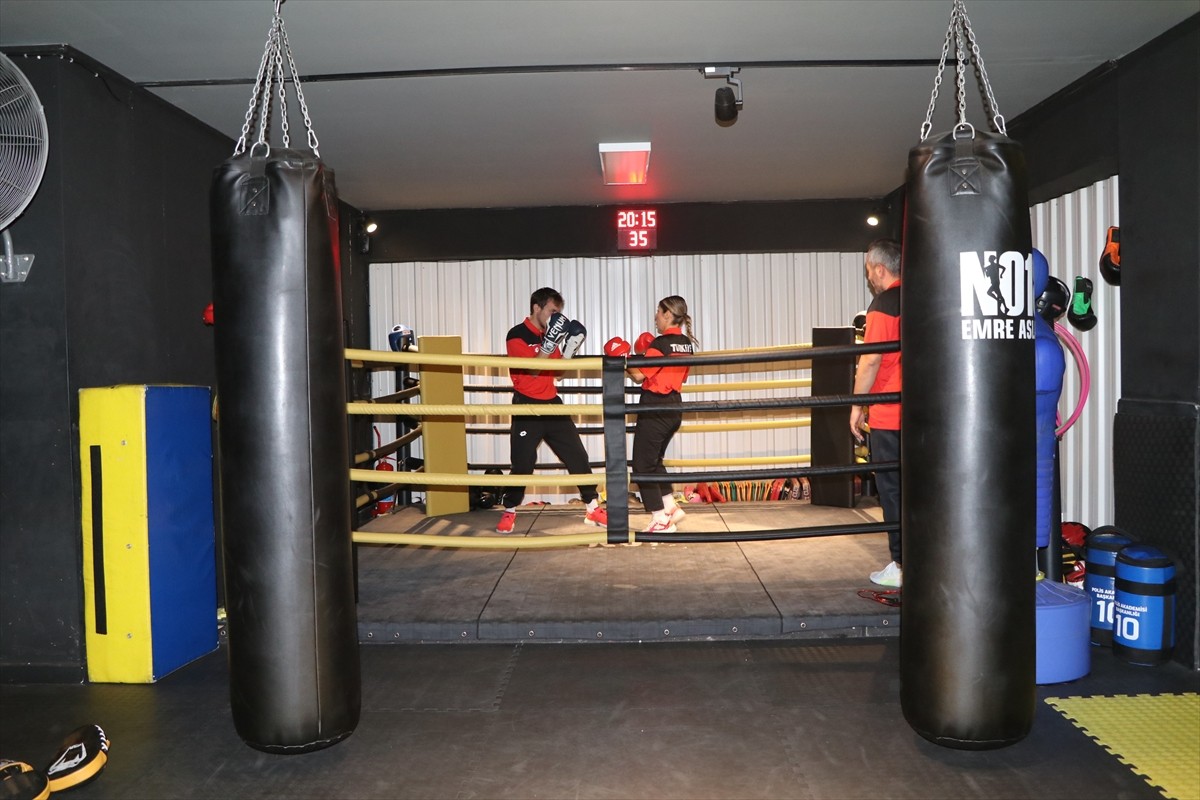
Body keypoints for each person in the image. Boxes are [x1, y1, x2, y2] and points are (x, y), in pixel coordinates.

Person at [497, 287, 606, 533]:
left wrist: (567, 351)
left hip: (552, 403)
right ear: (537, 307)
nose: (555, 317)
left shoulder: (551, 334)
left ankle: (592, 507)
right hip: (527, 405)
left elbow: (557, 372)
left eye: (558, 313)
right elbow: (533, 370)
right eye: (552, 311)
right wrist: (549, 343)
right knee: (523, 463)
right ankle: (510, 510)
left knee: (577, 455)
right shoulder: (517, 335)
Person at [849, 239, 902, 587]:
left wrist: (856, 406)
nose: (869, 277)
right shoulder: (925, 295)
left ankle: (901, 566)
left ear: (880, 269)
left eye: (869, 270)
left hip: (890, 414)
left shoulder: (883, 304)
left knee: (893, 491)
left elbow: (871, 359)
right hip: (926, 413)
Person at [626, 296, 698, 533]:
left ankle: (659, 519)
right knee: (654, 460)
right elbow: (681, 376)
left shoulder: (660, 343)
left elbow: (639, 376)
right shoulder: (686, 344)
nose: (656, 317)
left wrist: (624, 358)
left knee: (641, 465)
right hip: (674, 407)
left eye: (658, 312)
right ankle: (670, 507)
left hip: (655, 406)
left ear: (668, 314)